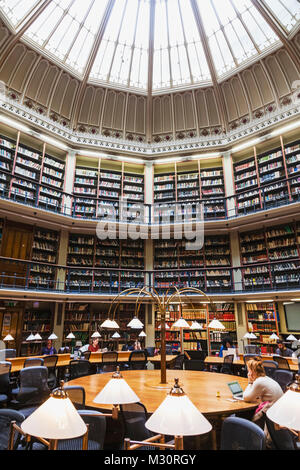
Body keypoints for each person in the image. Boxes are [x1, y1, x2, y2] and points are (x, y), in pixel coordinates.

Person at [243, 358, 283, 428]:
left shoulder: (259, 382)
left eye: (248, 371)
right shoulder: (266, 378)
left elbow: (246, 397)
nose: (248, 373)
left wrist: (250, 382)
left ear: (252, 372)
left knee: (243, 415)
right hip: (278, 414)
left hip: (271, 418)